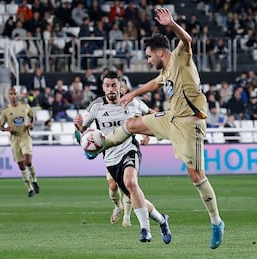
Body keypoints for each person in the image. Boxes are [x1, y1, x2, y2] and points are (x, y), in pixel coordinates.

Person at [86, 8, 225, 249]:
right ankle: (98, 147)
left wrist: (171, 24)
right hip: (171, 118)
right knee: (131, 125)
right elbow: (154, 83)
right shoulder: (165, 70)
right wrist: (133, 93)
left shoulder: (181, 57)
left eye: (149, 56)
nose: (148, 60)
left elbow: (188, 40)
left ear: (161, 52)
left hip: (191, 124)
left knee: (196, 176)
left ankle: (216, 222)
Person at [74, 70, 171, 243]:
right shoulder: (96, 107)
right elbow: (83, 133)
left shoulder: (133, 103)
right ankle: (162, 220)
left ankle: (145, 230)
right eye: (107, 85)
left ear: (121, 86)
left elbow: (151, 114)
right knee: (135, 196)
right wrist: (79, 127)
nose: (111, 89)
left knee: (131, 182)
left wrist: (148, 133)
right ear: (103, 88)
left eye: (114, 85)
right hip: (110, 158)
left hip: (130, 150)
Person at [0, 87, 40, 198]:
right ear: (8, 96)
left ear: (18, 95)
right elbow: (1, 127)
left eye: (15, 94)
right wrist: (8, 129)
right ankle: (29, 188)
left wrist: (32, 124)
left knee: (28, 162)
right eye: (11, 94)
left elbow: (32, 116)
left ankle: (34, 179)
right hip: (14, 139)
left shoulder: (25, 107)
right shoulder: (6, 111)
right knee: (21, 165)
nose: (13, 96)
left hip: (25, 136)